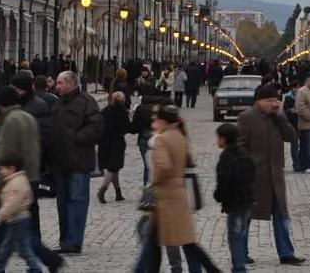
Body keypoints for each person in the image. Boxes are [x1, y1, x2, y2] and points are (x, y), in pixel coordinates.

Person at [134, 105, 220, 273]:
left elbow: (162, 167)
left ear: (162, 121)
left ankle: (212, 269)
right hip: (177, 194)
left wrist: (154, 181)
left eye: (155, 119)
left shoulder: (161, 140)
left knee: (179, 242)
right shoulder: (179, 136)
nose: (153, 122)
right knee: (163, 242)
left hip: (165, 198)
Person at [237, 84, 305, 266]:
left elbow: (292, 137)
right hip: (255, 177)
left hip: (275, 176)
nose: (274, 103)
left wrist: (281, 118)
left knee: (281, 215)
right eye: (270, 100)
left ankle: (286, 253)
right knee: (246, 217)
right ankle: (240, 252)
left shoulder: (277, 117)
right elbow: (239, 147)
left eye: (276, 100)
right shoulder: (247, 118)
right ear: (259, 101)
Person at [50, 71, 104, 255]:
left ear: (71, 83)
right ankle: (65, 240)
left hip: (79, 161)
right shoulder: (57, 103)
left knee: (77, 202)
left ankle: (74, 242)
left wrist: (76, 137)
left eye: (59, 83)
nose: (56, 86)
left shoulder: (86, 102)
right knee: (62, 204)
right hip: (60, 162)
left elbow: (97, 126)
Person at [0, 158, 47, 273]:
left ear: (12, 168)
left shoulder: (16, 183)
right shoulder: (17, 180)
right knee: (20, 248)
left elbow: (12, 204)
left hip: (17, 220)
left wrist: (0, 215)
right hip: (18, 219)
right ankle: (33, 268)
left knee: (9, 248)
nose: (1, 172)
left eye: (2, 169)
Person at [215, 123, 255, 273]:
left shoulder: (227, 156)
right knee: (240, 232)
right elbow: (252, 175)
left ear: (223, 139)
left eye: (218, 138)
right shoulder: (245, 154)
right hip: (247, 201)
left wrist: (219, 196)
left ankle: (239, 268)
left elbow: (224, 181)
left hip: (235, 203)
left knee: (235, 237)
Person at [98, 90, 130, 203]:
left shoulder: (105, 110)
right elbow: (127, 128)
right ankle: (103, 189)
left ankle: (118, 193)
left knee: (113, 168)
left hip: (104, 142)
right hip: (116, 143)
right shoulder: (123, 112)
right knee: (113, 167)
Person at [282, 80, 302, 172]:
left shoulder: (302, 97)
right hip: (292, 124)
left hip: (302, 124)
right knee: (294, 145)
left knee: (302, 145)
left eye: (297, 87)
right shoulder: (288, 98)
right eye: (294, 88)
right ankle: (296, 164)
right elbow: (285, 110)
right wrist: (291, 110)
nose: (296, 90)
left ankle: (302, 163)